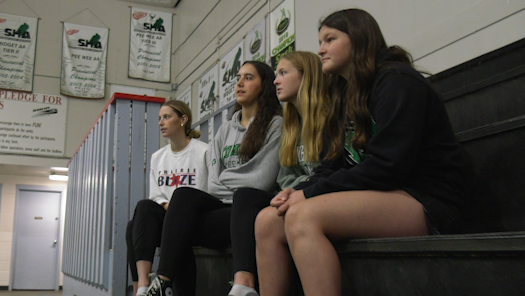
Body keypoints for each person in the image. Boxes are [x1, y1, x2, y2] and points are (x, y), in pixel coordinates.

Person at [255, 8, 466, 296]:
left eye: (330, 39)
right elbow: (333, 163)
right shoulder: (344, 93)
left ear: (358, 39)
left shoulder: (397, 82)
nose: (321, 49)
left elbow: (388, 166)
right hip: (384, 194)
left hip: (425, 197)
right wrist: (299, 190)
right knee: (267, 220)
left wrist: (309, 195)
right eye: (320, 41)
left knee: (303, 216)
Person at [145, 61, 283, 296]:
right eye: (238, 77)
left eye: (248, 78)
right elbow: (212, 181)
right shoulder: (225, 129)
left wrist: (230, 186)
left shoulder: (275, 125)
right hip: (224, 212)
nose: (239, 83)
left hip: (251, 210)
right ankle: (162, 283)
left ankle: (244, 286)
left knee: (244, 196)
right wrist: (230, 188)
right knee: (183, 196)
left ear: (265, 86)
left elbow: (263, 179)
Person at [228, 51, 331, 296]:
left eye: (283, 73)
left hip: (325, 194)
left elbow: (335, 169)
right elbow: (285, 176)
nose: (275, 81)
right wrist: (292, 189)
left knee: (258, 205)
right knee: (259, 213)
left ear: (307, 78)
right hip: (299, 194)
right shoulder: (291, 124)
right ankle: (243, 287)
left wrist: (301, 189)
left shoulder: (330, 116)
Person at [126, 100, 209, 296]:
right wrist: (166, 206)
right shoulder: (158, 157)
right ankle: (143, 286)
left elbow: (207, 190)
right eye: (159, 118)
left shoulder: (203, 151)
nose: (160, 123)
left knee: (140, 223)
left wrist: (177, 209)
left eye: (166, 117)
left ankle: (151, 286)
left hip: (194, 216)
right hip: (166, 214)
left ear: (183, 120)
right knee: (140, 214)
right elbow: (155, 195)